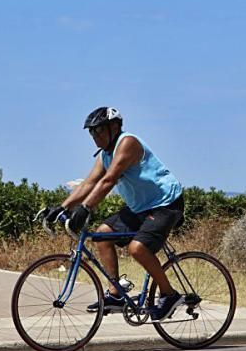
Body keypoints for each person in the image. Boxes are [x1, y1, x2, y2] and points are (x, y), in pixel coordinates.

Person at [38, 107, 186, 321]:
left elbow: (109, 180)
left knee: (138, 248)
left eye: (98, 130)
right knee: (103, 234)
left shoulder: (127, 143)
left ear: (114, 127)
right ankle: (116, 294)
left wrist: (85, 208)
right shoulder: (105, 155)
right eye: (91, 133)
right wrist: (63, 207)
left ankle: (169, 295)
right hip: (140, 207)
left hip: (165, 203)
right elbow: (90, 182)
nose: (95, 136)